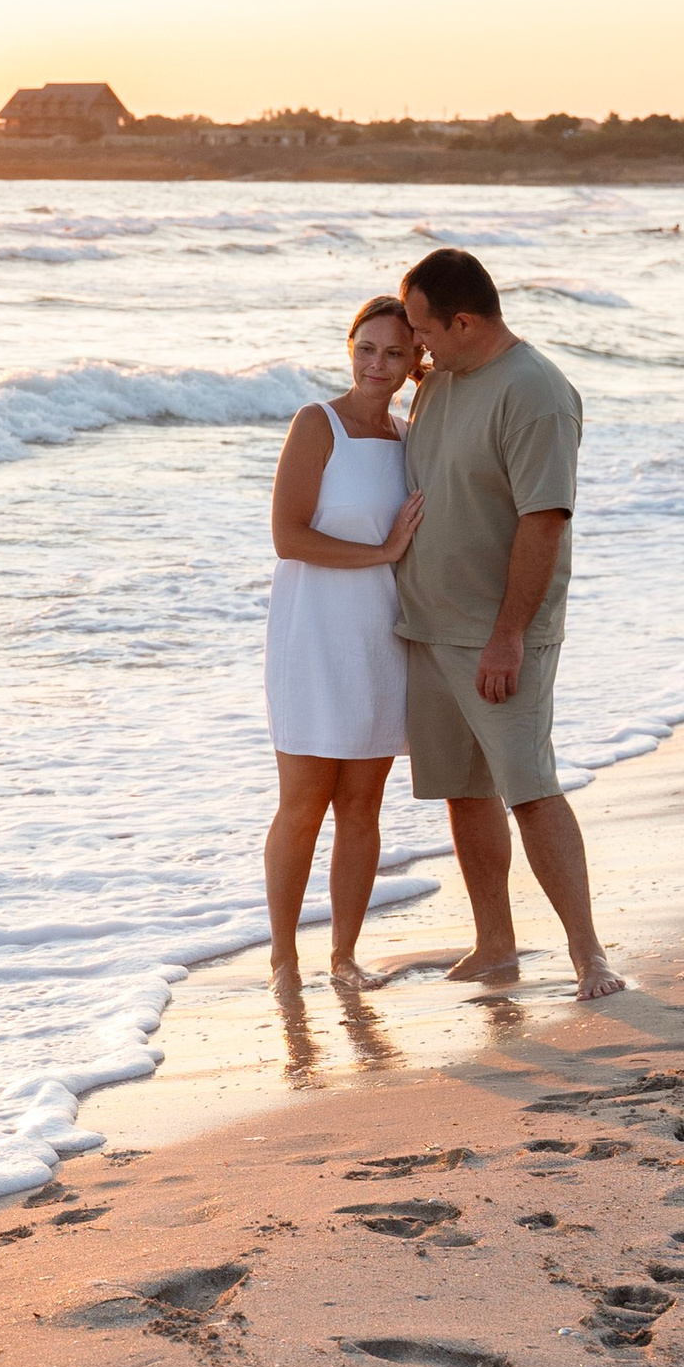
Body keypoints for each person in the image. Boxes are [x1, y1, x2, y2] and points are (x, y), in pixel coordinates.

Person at [394, 247, 624, 999]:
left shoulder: (535, 392)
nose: (415, 345)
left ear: (463, 321)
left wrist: (509, 635)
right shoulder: (441, 384)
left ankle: (589, 954)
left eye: (424, 330)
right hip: (430, 626)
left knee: (529, 787)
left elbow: (545, 520)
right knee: (466, 790)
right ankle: (496, 944)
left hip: (498, 634)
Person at [264, 296, 425, 977]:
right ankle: (282, 957)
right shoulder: (316, 423)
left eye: (394, 353)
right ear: (349, 346)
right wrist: (381, 552)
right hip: (313, 638)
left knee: (362, 806)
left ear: (416, 360)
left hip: (382, 641)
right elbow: (288, 535)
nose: (376, 365)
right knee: (303, 805)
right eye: (366, 348)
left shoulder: (413, 439)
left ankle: (344, 956)